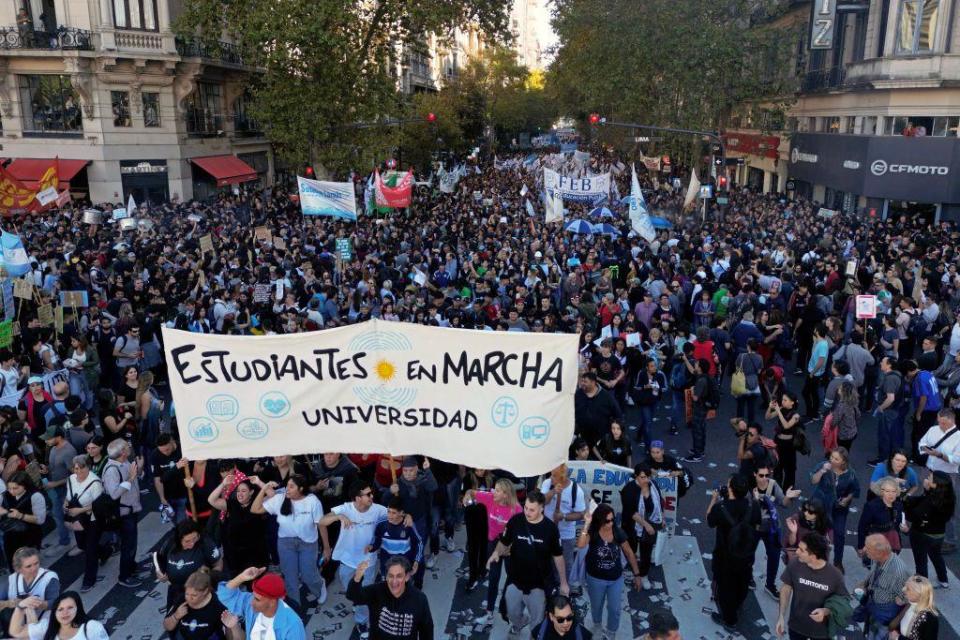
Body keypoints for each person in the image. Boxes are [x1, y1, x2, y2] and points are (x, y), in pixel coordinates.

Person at [485, 489, 568, 637]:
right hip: (515, 579)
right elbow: (504, 542)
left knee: (537, 621)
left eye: (532, 510)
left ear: (542, 508)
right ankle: (520, 622)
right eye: (526, 508)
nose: (527, 512)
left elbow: (558, 556)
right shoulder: (515, 521)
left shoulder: (550, 529)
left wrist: (563, 582)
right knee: (510, 612)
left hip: (539, 585)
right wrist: (496, 553)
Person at [319, 480, 387, 637]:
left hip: (368, 561)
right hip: (347, 560)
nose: (372, 496)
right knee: (350, 589)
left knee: (363, 592)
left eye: (372, 493)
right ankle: (358, 601)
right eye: (368, 494)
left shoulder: (378, 510)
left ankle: (362, 622)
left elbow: (395, 514)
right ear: (357, 498)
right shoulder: (345, 508)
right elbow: (322, 522)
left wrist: (407, 516)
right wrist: (339, 517)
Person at [251, 473, 328, 611]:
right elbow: (255, 509)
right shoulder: (280, 499)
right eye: (287, 485)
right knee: (290, 578)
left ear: (301, 488)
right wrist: (264, 489)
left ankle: (320, 584)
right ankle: (295, 606)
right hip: (286, 543)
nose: (287, 489)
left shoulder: (312, 501)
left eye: (292, 486)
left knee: (308, 575)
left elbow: (321, 524)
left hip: (308, 543)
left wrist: (327, 548)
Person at [577, 503, 641, 638]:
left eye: (613, 520)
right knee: (596, 606)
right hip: (595, 579)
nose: (611, 523)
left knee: (615, 608)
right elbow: (581, 544)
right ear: (600, 520)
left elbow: (629, 553)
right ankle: (597, 624)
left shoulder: (617, 532)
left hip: (615, 579)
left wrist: (637, 575)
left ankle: (611, 631)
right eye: (607, 521)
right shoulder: (593, 532)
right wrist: (587, 524)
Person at [706, 473, 760, 630]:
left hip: (725, 556)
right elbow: (756, 526)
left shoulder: (721, 508)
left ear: (730, 489)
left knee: (725, 587)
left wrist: (714, 499)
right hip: (747, 555)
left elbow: (709, 520)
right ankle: (738, 604)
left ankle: (729, 620)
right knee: (742, 582)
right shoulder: (753, 506)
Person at [464, 477, 521, 625]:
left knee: (512, 576)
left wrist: (511, 547)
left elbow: (521, 530)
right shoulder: (490, 498)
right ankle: (489, 614)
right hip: (493, 543)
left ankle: (505, 605)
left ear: (506, 494)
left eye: (497, 490)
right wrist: (467, 496)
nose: (493, 492)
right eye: (494, 489)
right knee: (494, 578)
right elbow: (471, 491)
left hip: (509, 545)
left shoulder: (517, 509)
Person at [776, 532, 848, 640]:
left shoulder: (835, 575)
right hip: (796, 627)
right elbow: (786, 588)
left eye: (801, 550)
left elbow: (844, 600)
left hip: (821, 632)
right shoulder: (795, 564)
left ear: (813, 556)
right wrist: (781, 616)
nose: (797, 551)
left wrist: (826, 611)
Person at [347, 556, 433, 640]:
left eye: (399, 576)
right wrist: (357, 578)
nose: (394, 581)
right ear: (386, 576)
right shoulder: (377, 591)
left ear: (407, 577)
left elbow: (426, 631)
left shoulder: (419, 599)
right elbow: (353, 596)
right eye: (391, 576)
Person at [751, 462, 800, 599]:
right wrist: (755, 501)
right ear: (754, 474)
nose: (764, 478)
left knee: (774, 556)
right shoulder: (749, 486)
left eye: (767, 475)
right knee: (749, 552)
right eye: (761, 475)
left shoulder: (772, 485)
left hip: (771, 527)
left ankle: (770, 584)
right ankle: (748, 576)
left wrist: (788, 497)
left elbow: (783, 504)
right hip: (753, 525)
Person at [217, 567, 306, 640]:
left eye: (257, 599)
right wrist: (241, 577)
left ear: (272, 601)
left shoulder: (292, 625)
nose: (251, 603)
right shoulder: (250, 602)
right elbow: (224, 596)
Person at [809, 446, 860, 571]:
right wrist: (822, 471)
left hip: (838, 508)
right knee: (817, 533)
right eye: (831, 457)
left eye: (836, 459)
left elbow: (855, 490)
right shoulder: (823, 465)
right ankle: (815, 559)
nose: (832, 460)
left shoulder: (850, 474)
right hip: (821, 505)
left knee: (839, 534)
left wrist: (847, 499)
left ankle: (838, 561)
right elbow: (813, 481)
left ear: (843, 461)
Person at [155, 519, 223, 612]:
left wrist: (210, 581)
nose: (192, 544)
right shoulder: (170, 543)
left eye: (195, 538)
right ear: (179, 540)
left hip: (200, 592)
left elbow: (218, 564)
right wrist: (160, 574)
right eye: (187, 541)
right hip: (176, 592)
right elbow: (159, 562)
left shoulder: (205, 543)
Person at [208, 476, 269, 577]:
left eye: (244, 491)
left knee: (254, 582)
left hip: (255, 553)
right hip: (235, 553)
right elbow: (211, 500)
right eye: (238, 491)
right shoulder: (232, 504)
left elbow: (273, 495)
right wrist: (223, 484)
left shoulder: (258, 503)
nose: (239, 494)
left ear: (251, 492)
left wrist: (259, 482)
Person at [917, 407, 960, 550]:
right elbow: (922, 442)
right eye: (939, 422)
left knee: (946, 507)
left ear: (951, 420)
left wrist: (940, 455)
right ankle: (929, 531)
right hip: (930, 472)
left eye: (943, 423)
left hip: (947, 476)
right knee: (927, 502)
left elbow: (958, 459)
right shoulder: (933, 429)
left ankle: (949, 540)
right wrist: (925, 450)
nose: (940, 425)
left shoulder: (958, 437)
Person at [101, 439, 142, 587]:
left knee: (132, 543)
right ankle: (124, 576)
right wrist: (131, 478)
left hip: (132, 509)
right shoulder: (112, 470)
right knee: (128, 544)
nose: (129, 447)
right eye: (127, 446)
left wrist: (139, 471)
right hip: (124, 513)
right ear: (122, 452)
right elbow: (114, 494)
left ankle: (131, 566)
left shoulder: (124, 462)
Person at [540, 464, 586, 596]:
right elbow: (542, 502)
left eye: (555, 476)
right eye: (551, 474)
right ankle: (550, 588)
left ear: (564, 477)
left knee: (566, 563)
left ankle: (565, 590)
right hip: (547, 532)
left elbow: (581, 514)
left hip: (566, 535)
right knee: (547, 561)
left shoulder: (576, 491)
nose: (552, 478)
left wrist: (564, 516)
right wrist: (554, 491)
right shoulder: (547, 483)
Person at [904, 471, 955, 588]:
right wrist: (925, 491)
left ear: (935, 485)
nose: (926, 479)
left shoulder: (930, 501)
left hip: (922, 535)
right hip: (939, 535)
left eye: (929, 478)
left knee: (921, 561)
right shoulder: (947, 497)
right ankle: (943, 580)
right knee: (936, 556)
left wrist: (906, 526)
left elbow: (914, 515)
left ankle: (921, 587)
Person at [163, 569, 243, 640]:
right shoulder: (182, 600)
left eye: (194, 595)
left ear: (205, 591)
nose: (189, 598)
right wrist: (176, 616)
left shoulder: (219, 605)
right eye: (187, 594)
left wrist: (233, 626)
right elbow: (167, 626)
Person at [857, 534, 911, 640]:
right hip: (874, 606)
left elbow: (907, 599)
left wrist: (896, 621)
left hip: (885, 615)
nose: (864, 549)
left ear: (879, 553)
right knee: (869, 633)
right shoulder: (879, 559)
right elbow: (875, 575)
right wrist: (865, 583)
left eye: (867, 548)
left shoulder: (898, 572)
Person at [62, 455, 102, 591]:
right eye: (75, 468)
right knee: (83, 545)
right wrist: (66, 504)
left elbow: (98, 506)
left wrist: (80, 510)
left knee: (90, 550)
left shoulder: (95, 482)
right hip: (77, 519)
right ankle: (106, 551)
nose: (77, 471)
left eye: (81, 467)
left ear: (88, 467)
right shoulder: (71, 479)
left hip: (92, 520)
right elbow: (69, 495)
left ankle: (89, 580)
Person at [0, 547, 60, 636]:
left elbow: (56, 603)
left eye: (36, 563)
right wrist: (10, 603)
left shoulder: (49, 578)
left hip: (43, 622)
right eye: (28, 566)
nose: (34, 568)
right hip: (18, 624)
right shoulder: (12, 580)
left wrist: (39, 604)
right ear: (18, 569)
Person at [8, 591, 109, 640]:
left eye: (70, 608)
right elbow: (16, 632)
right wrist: (20, 607)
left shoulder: (91, 627)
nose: (65, 613)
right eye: (60, 609)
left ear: (78, 609)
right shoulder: (47, 627)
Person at [367, 498, 423, 584]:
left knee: (402, 588)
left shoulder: (409, 524)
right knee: (385, 588)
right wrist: (371, 547)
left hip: (404, 564)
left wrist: (416, 561)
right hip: (386, 563)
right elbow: (376, 540)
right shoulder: (381, 524)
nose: (389, 515)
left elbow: (419, 542)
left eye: (393, 513)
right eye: (388, 511)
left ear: (401, 513)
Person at [0, 471, 47, 570]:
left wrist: (20, 515)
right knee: (15, 568)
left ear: (25, 485)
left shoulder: (35, 496)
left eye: (15, 488)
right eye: (9, 488)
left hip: (29, 538)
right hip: (10, 539)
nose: (11, 491)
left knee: (28, 568)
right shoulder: (7, 495)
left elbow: (40, 519)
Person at [858, 477, 907, 559]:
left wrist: (906, 530)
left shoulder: (899, 506)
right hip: (876, 544)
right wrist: (861, 546)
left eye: (893, 491)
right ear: (881, 492)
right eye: (887, 491)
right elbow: (862, 527)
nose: (891, 494)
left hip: (892, 545)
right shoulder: (871, 506)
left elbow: (901, 524)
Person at [680, 358, 715, 463]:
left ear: (700, 368)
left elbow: (695, 397)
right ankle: (701, 450)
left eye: (696, 364)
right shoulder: (704, 376)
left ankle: (697, 454)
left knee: (697, 430)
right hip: (704, 407)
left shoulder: (701, 381)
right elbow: (692, 370)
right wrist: (685, 360)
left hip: (699, 408)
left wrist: (692, 390)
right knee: (702, 429)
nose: (695, 364)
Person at [766, 390, 801, 491]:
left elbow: (786, 426)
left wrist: (778, 411)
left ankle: (788, 489)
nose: (782, 402)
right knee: (777, 466)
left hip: (789, 445)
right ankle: (777, 488)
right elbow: (767, 417)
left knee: (789, 468)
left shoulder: (796, 416)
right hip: (778, 442)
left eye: (785, 400)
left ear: (792, 402)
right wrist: (770, 407)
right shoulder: (781, 408)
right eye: (782, 399)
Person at [889, 576, 939, 640]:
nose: (903, 590)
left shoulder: (930, 618)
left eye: (908, 589)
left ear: (919, 595)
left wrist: (898, 638)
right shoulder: (911, 603)